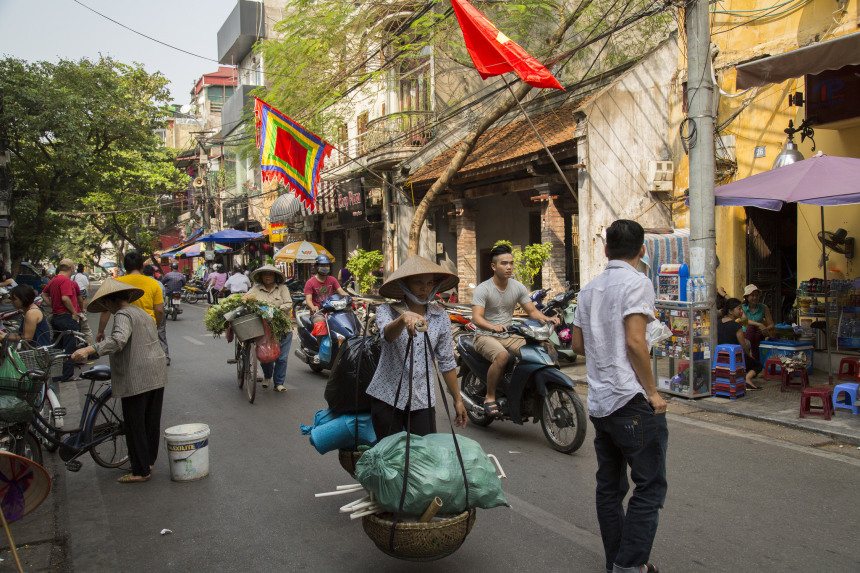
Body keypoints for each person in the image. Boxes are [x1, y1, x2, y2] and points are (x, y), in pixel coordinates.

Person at [571, 219, 667, 573]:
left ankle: (619, 562)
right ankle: (629, 566)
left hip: (600, 401)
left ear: (606, 249)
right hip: (630, 399)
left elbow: (578, 345)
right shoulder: (638, 282)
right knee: (650, 485)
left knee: (609, 488)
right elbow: (635, 341)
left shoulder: (589, 289)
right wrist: (653, 393)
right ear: (642, 250)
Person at [71, 279, 168, 483]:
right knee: (150, 421)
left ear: (109, 302)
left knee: (135, 424)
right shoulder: (142, 313)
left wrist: (89, 350)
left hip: (137, 374)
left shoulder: (123, 315)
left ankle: (140, 471)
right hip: (156, 372)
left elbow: (118, 340)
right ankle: (148, 461)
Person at [365, 255, 467, 440]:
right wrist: (404, 319)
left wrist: (457, 399)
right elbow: (387, 335)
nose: (424, 288)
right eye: (418, 282)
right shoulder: (386, 311)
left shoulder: (440, 316)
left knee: (424, 456)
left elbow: (446, 362)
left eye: (429, 283)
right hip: (387, 396)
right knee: (391, 458)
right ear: (405, 285)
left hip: (422, 398)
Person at [470, 243, 559, 417]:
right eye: (504, 263)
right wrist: (492, 327)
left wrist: (548, 319)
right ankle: (490, 396)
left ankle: (524, 390)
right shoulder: (483, 289)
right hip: (484, 335)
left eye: (511, 263)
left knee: (537, 351)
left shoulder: (517, 287)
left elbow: (532, 311)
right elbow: (477, 318)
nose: (509, 267)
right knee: (502, 356)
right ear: (494, 266)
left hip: (508, 335)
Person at [96, 252, 164, 351]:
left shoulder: (116, 283)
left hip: (123, 327)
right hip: (147, 327)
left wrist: (100, 331)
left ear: (125, 267)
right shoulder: (154, 284)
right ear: (142, 267)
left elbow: (106, 310)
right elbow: (159, 311)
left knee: (126, 357)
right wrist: (155, 325)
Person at [248, 265, 294, 392]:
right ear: (261, 277)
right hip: (264, 330)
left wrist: (275, 309)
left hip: (283, 328)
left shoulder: (283, 288)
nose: (268, 276)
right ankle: (267, 376)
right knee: (266, 356)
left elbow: (289, 303)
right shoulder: (255, 290)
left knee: (282, 358)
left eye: (271, 274)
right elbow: (246, 300)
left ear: (275, 277)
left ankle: (279, 383)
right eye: (265, 274)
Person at [40, 258, 82, 382]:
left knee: (57, 347)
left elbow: (43, 294)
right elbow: (65, 298)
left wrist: (52, 305)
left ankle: (57, 373)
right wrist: (74, 312)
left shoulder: (54, 280)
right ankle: (67, 375)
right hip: (66, 317)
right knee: (69, 347)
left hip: (56, 317)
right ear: (71, 268)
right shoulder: (65, 280)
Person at [718, 298, 763, 389]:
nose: (741, 311)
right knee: (758, 365)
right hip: (734, 358)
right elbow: (744, 346)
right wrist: (750, 356)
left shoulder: (719, 322)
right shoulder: (736, 326)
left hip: (720, 356)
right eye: (739, 309)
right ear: (730, 311)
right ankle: (747, 379)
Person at [303, 255, 347, 323]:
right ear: (316, 267)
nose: (325, 267)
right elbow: (308, 300)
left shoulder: (332, 279)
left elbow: (341, 291)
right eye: (322, 265)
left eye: (327, 265)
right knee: (319, 322)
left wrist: (352, 298)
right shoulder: (310, 283)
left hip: (333, 310)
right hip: (318, 312)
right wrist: (313, 307)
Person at [144, 265, 170, 367]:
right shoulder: (159, 283)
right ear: (153, 273)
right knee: (161, 334)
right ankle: (166, 357)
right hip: (159, 311)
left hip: (147, 312)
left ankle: (149, 357)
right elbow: (162, 298)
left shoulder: (144, 284)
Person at [741, 284, 774, 361]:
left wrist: (764, 328)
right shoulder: (742, 307)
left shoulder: (764, 307)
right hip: (745, 334)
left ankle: (755, 360)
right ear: (747, 297)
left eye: (757, 295)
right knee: (751, 328)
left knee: (756, 332)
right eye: (752, 295)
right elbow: (745, 321)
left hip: (759, 334)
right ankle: (750, 358)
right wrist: (759, 324)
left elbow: (771, 325)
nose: (755, 298)